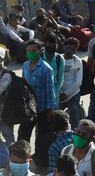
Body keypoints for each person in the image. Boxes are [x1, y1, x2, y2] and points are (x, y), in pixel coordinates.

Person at [19, 39, 57, 168]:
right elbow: (24, 86)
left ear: (40, 51)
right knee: (23, 137)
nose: (30, 53)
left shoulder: (46, 69)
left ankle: (40, 165)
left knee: (42, 140)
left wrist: (50, 114)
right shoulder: (25, 65)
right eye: (28, 51)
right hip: (28, 110)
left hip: (42, 110)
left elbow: (50, 93)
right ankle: (22, 162)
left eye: (33, 50)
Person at [60, 37, 83, 129]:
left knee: (74, 113)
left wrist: (66, 93)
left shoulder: (77, 61)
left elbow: (78, 81)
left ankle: (75, 133)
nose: (69, 50)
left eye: (73, 49)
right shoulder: (58, 59)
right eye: (68, 47)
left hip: (73, 93)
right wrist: (60, 92)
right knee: (58, 117)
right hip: (59, 94)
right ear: (63, 46)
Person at [43, 32, 65, 104]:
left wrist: (54, 93)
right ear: (45, 44)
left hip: (54, 97)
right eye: (50, 43)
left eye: (54, 43)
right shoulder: (39, 57)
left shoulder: (60, 59)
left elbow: (60, 79)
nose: (52, 45)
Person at [0, 47, 14, 147]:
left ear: (1, 59)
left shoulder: (7, 75)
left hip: (5, 113)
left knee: (9, 138)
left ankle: (11, 160)